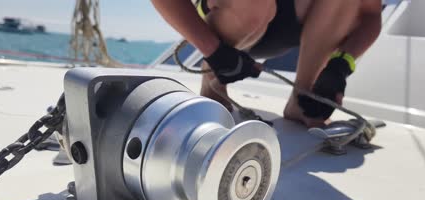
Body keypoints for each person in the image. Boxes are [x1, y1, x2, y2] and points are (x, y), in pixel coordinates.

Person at [151, 0, 382, 127]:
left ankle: (303, 97)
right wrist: (213, 50)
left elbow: (371, 14)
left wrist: (340, 67)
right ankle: (213, 82)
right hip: (236, 12)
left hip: (292, 22)